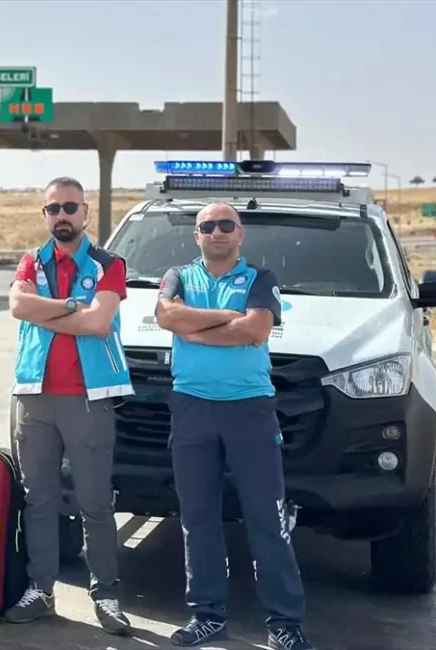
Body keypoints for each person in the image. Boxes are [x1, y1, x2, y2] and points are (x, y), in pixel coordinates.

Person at [154, 202, 313, 650]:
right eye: (208, 226)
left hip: (249, 410)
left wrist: (195, 327)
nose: (217, 232)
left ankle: (285, 622)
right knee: (198, 518)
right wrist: (229, 319)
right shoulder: (178, 276)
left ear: (240, 234)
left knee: (267, 519)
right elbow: (167, 316)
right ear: (196, 236)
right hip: (192, 409)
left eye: (227, 225)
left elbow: (256, 329)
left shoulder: (261, 279)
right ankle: (207, 615)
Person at [4, 176, 133, 635]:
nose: (62, 214)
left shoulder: (108, 264)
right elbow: (18, 307)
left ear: (86, 213)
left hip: (87, 397)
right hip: (34, 395)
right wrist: (68, 307)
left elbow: (100, 322)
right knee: (38, 499)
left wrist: (49, 310)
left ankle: (107, 594)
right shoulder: (30, 260)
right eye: (54, 207)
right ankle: (41, 589)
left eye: (70, 207)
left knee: (95, 502)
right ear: (45, 214)